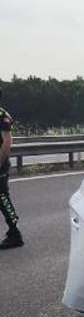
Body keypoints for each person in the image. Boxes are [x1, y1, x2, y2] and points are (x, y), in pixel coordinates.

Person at [0, 90, 22, 248]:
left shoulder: (2, 116)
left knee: (2, 197)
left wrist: (0, 162)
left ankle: (15, 233)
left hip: (0, 164)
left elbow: (7, 142)